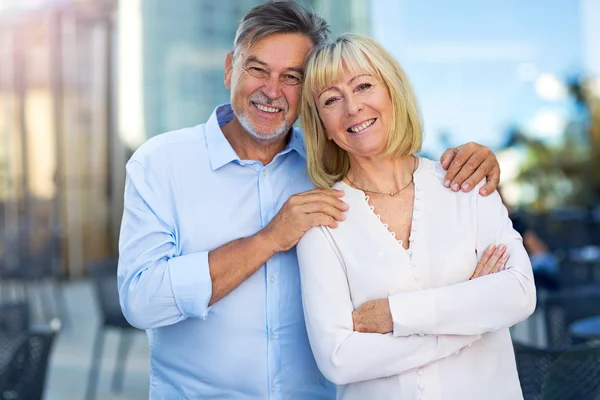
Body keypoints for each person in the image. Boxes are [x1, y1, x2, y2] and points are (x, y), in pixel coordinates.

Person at [117, 2, 503, 399]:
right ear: (230, 68)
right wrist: (268, 240)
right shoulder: (160, 164)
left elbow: (401, 172)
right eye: (257, 69)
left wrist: (472, 161)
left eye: (292, 77)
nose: (272, 90)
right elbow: (141, 301)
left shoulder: (332, 164)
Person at [297, 33, 536, 400]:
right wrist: (471, 323)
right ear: (323, 127)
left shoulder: (464, 182)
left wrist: (395, 315)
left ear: (392, 91)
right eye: (331, 99)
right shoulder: (323, 218)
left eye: (363, 86)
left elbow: (519, 294)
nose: (352, 107)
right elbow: (339, 359)